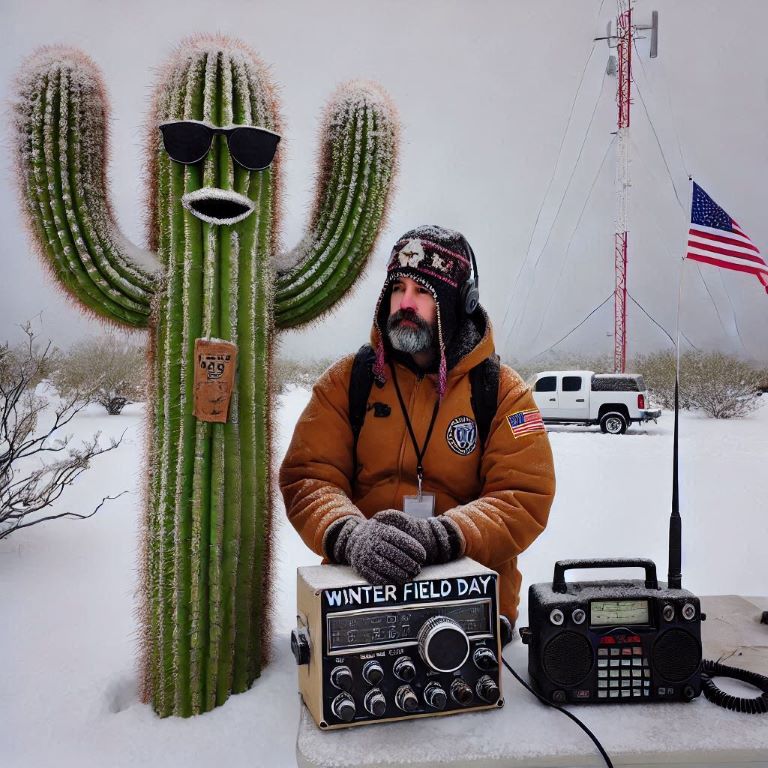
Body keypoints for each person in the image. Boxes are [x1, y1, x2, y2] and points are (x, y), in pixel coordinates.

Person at [279, 225, 555, 626]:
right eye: (397, 288)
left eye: (422, 292)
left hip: (470, 600)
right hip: (361, 594)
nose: (405, 303)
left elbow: (524, 495)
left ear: (459, 302)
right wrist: (350, 535)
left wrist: (443, 536)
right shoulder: (347, 381)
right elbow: (308, 477)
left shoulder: (503, 393)